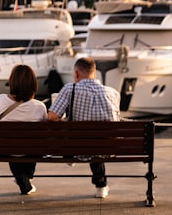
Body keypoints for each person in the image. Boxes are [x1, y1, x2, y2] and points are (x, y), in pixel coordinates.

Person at [47, 56, 120, 198]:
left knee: (71, 128)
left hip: (76, 145)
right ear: (94, 72)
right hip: (107, 146)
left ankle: (69, 155)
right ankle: (101, 186)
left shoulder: (70, 89)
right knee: (96, 143)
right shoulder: (113, 93)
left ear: (76, 73)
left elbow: (52, 117)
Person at [0, 64, 48, 195]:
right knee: (31, 144)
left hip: (5, 150)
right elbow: (44, 130)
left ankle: (22, 179)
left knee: (12, 146)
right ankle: (25, 178)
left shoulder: (0, 99)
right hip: (31, 151)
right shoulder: (39, 107)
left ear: (12, 82)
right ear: (33, 84)